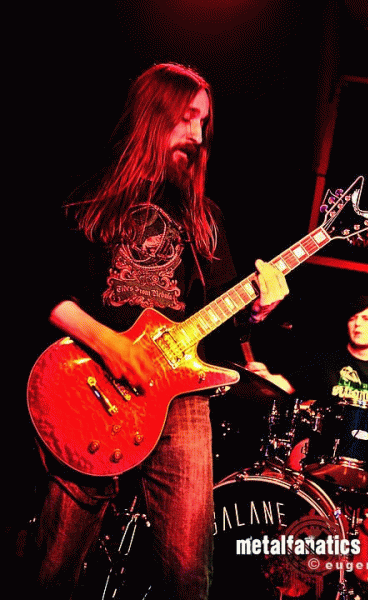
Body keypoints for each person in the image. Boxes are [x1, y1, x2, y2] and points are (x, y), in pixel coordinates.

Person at [28, 62, 289, 600]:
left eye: (204, 123)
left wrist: (258, 309)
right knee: (53, 566)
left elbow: (223, 320)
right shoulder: (91, 193)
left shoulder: (205, 218)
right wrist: (109, 344)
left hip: (179, 398)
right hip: (90, 387)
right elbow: (40, 286)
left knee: (189, 571)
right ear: (152, 115)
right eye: (187, 118)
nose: (197, 135)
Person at [246, 294, 368, 600]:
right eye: (353, 318)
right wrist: (265, 377)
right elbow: (287, 385)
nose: (358, 324)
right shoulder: (327, 362)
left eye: (366, 318)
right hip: (325, 463)